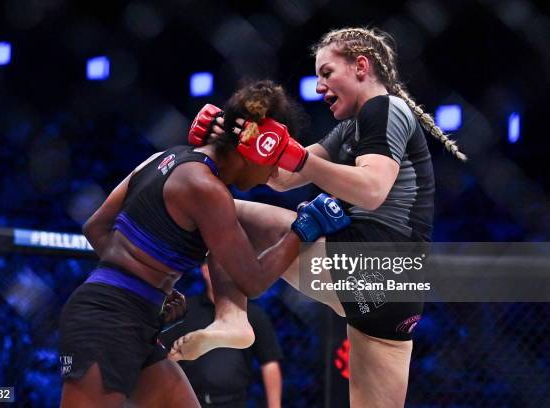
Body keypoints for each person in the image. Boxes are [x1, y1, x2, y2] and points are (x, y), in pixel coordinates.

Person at [186, 27, 466, 408]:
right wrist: (232, 139)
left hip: (370, 263)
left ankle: (232, 318)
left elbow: (371, 189)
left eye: (327, 72)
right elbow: (283, 178)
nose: (319, 86)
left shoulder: (384, 109)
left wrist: (299, 158)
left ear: (361, 66)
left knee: (220, 209)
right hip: (396, 296)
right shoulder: (352, 128)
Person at [58, 79, 350, 408]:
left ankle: (231, 318)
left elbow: (96, 226)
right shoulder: (206, 189)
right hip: (108, 319)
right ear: (254, 151)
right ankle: (232, 318)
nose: (272, 176)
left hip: (133, 315)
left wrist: (152, 287)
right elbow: (252, 281)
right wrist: (303, 229)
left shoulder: (162, 159)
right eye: (273, 163)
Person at [162, 265, 283, 408]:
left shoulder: (255, 315)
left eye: (229, 268)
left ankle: (228, 321)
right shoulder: (186, 311)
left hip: (235, 401)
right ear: (205, 270)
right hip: (192, 399)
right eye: (220, 267)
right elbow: (166, 357)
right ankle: (226, 322)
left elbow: (270, 363)